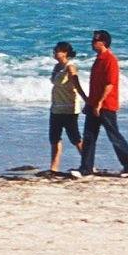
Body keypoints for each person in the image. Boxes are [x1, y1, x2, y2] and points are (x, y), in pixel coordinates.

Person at [71, 30, 128, 178]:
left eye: (95, 41)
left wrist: (99, 103)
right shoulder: (98, 59)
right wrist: (90, 102)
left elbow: (109, 84)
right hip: (94, 103)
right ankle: (86, 168)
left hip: (106, 105)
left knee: (113, 135)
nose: (92, 43)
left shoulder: (110, 60)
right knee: (89, 136)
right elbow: (96, 84)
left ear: (103, 42)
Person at [46, 41, 85, 174]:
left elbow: (77, 85)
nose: (54, 53)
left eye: (57, 51)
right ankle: (54, 168)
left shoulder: (70, 67)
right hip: (56, 107)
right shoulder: (57, 66)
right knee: (54, 138)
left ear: (65, 53)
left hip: (69, 108)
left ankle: (88, 163)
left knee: (75, 138)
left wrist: (86, 100)